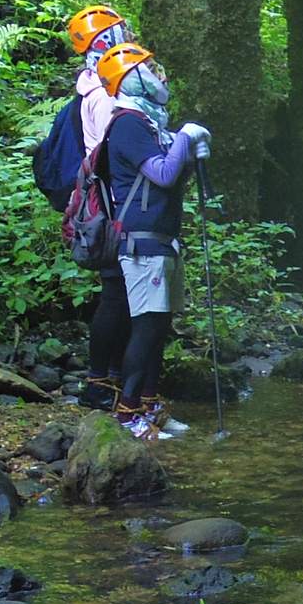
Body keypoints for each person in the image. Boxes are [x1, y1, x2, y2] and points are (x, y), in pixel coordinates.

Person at [96, 41, 207, 440]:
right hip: (142, 244)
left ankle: (150, 404)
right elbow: (161, 173)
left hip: (162, 239)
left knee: (158, 327)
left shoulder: (150, 123)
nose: (162, 76)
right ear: (133, 78)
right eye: (152, 69)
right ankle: (128, 413)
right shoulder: (127, 123)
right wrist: (185, 138)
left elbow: (172, 179)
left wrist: (190, 154)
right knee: (144, 328)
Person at [68, 5, 135, 411]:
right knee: (116, 292)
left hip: (112, 200)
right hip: (113, 205)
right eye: (119, 31)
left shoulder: (96, 88)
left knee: (121, 292)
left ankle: (109, 375)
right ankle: (100, 380)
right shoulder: (101, 95)